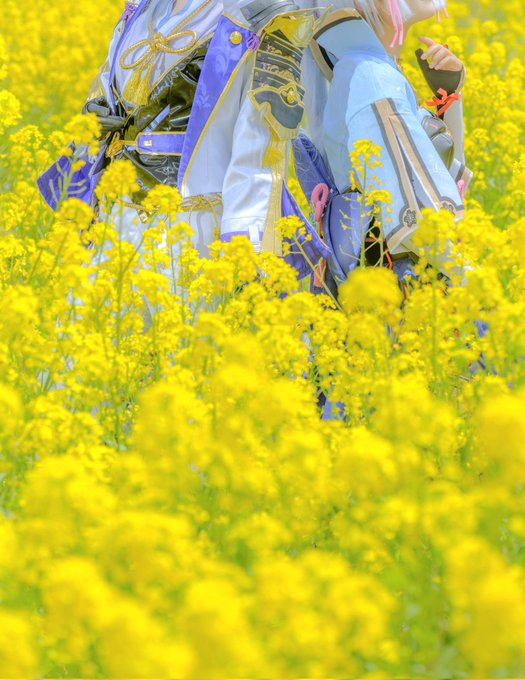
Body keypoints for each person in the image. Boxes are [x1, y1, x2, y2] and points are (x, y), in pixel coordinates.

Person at [38, 0, 329, 283]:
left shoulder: (261, 15)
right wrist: (96, 115)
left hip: (191, 229)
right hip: (113, 217)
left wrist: (244, 252)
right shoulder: (142, 8)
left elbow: (257, 153)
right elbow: (109, 87)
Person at [293, 0, 473, 288]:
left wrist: (449, 96)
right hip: (395, 288)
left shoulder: (369, 68)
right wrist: (476, 286)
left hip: (391, 283)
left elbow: (446, 182)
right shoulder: (373, 78)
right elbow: (412, 219)